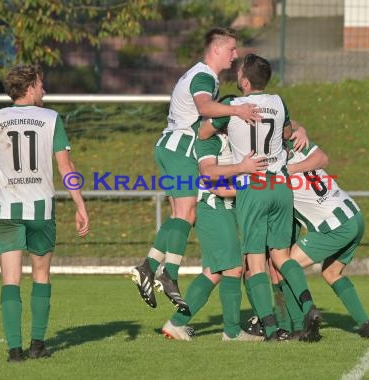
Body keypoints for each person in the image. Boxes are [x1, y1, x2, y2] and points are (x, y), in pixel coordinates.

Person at [131, 27, 261, 313]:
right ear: (216, 49)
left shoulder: (201, 74)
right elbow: (204, 105)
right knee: (187, 213)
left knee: (181, 215)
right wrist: (237, 111)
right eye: (231, 49)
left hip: (173, 146)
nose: (235, 54)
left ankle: (149, 267)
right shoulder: (204, 76)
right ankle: (169, 275)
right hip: (181, 148)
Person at [199, 53, 321, 342]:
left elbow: (204, 131)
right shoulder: (279, 102)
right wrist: (299, 129)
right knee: (281, 256)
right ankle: (308, 306)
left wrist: (228, 115)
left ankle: (270, 328)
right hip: (281, 185)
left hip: (252, 186)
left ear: (243, 80)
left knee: (255, 261)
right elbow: (290, 132)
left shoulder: (232, 105)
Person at [0, 64, 90, 362]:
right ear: (29, 87)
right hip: (41, 209)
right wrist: (79, 205)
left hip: (7, 209)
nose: (44, 90)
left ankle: (15, 351)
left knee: (10, 280)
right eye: (41, 84)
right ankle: (38, 345)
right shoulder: (51, 118)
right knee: (41, 274)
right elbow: (66, 168)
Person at [161, 129, 267, 341]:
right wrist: (248, 188)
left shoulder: (230, 140)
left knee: (215, 270)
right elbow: (211, 180)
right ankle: (232, 332)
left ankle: (176, 323)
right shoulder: (209, 141)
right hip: (211, 206)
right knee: (234, 268)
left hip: (222, 207)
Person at [284, 139, 369, 338]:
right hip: (354, 215)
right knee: (332, 272)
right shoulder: (301, 147)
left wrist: (208, 183)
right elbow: (321, 157)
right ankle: (365, 325)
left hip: (335, 225)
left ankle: (302, 322)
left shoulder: (277, 168)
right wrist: (299, 129)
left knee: (286, 266)